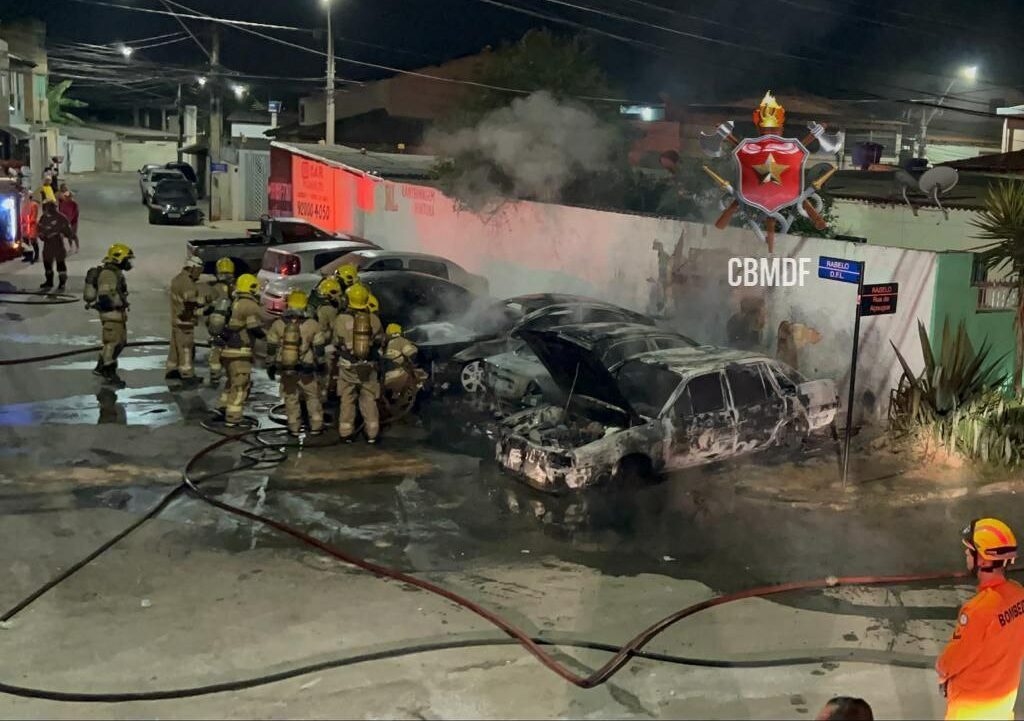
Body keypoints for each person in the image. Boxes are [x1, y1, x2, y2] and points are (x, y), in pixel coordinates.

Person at [936, 517, 1024, 721]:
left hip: (969, 712)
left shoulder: (977, 610)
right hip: (1002, 709)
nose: (966, 553)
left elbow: (950, 663)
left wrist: (941, 668)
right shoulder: (1019, 596)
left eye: (970, 550)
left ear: (983, 560)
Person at [266, 290, 327, 436]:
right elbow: (319, 349)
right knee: (312, 397)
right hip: (307, 369)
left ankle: (293, 427)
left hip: (287, 368)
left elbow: (271, 347)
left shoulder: (278, 324)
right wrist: (321, 366)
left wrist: (271, 365)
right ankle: (316, 426)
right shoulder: (313, 324)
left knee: (291, 398)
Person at [333, 282, 383, 443]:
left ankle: (346, 433)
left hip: (348, 367)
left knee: (347, 399)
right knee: (368, 398)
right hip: (368, 366)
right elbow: (380, 341)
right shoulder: (374, 319)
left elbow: (336, 341)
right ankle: (372, 434)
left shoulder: (341, 319)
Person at [216, 273, 264, 426]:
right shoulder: (250, 305)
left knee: (231, 382)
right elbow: (254, 328)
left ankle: (222, 408)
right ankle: (233, 417)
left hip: (227, 350)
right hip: (240, 352)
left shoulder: (234, 302)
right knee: (241, 385)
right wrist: (271, 338)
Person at [91, 243, 134, 386]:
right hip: (111, 315)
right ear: (118, 258)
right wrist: (116, 304)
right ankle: (108, 373)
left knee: (120, 342)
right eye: (127, 259)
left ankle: (101, 367)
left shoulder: (115, 272)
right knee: (112, 342)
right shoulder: (108, 274)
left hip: (117, 314)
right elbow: (104, 295)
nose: (129, 262)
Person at [165, 256, 205, 383]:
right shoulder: (188, 284)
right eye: (199, 270)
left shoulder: (177, 279)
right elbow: (190, 303)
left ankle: (172, 369)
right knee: (186, 349)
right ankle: (187, 374)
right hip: (185, 322)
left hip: (176, 320)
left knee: (175, 348)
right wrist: (203, 305)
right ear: (192, 268)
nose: (200, 273)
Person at [204, 257, 235, 385]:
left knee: (215, 351)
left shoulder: (213, 288)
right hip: (231, 326)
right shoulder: (235, 288)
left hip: (217, 325)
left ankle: (215, 376)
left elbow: (208, 308)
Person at [36, 201, 73, 291]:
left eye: (45, 209)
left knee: (60, 265)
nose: (44, 211)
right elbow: (40, 228)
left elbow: (68, 232)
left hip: (58, 246)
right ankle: (49, 282)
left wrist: (59, 234)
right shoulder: (43, 218)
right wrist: (41, 235)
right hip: (47, 246)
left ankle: (62, 283)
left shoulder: (61, 218)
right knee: (47, 264)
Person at [381, 323, 422, 398]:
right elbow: (412, 353)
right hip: (396, 374)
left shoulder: (382, 344)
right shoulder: (401, 341)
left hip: (382, 377)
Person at [57, 184, 79, 252]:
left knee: (73, 235)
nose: (66, 198)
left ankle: (77, 247)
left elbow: (76, 214)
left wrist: (70, 220)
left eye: (68, 197)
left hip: (73, 222)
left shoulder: (74, 203)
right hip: (65, 221)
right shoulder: (63, 203)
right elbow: (60, 211)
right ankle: (71, 246)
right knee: (66, 235)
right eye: (65, 197)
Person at [19, 190, 39, 263]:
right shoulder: (24, 205)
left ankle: (36, 256)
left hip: (32, 225)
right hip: (25, 226)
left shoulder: (34, 205)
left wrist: (28, 223)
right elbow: (22, 215)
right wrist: (21, 223)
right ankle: (28, 256)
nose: (24, 198)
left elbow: (34, 216)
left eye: (25, 196)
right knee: (25, 241)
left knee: (33, 241)